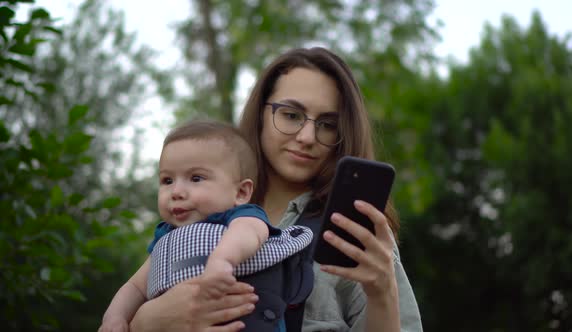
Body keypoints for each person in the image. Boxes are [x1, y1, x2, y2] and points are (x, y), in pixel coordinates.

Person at [129, 47, 423, 332]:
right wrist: (146, 323)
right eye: (291, 115)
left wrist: (384, 292)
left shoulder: (352, 235)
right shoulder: (198, 208)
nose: (307, 137)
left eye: (327, 124)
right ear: (260, 114)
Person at [99, 120, 313, 332]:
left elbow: (249, 233)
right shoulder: (165, 239)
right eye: (167, 180)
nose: (176, 191)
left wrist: (223, 259)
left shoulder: (241, 217)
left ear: (240, 193)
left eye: (196, 178)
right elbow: (135, 287)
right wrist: (114, 317)